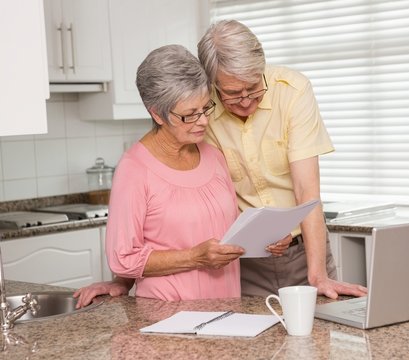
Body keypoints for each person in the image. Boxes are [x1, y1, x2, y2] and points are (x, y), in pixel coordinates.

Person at [75, 20, 367, 307]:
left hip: (292, 255)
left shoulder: (289, 94)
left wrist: (310, 269)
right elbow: (141, 232)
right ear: (214, 84)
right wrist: (123, 280)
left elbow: (305, 192)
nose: (245, 100)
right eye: (232, 94)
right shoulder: (168, 137)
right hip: (230, 276)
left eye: (253, 88)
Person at [74, 43, 291, 308]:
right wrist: (194, 257)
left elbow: (225, 231)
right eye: (190, 115)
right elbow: (123, 257)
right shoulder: (134, 169)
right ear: (157, 114)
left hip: (226, 310)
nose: (203, 121)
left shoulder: (213, 156)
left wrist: (266, 238)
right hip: (167, 315)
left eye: (206, 108)